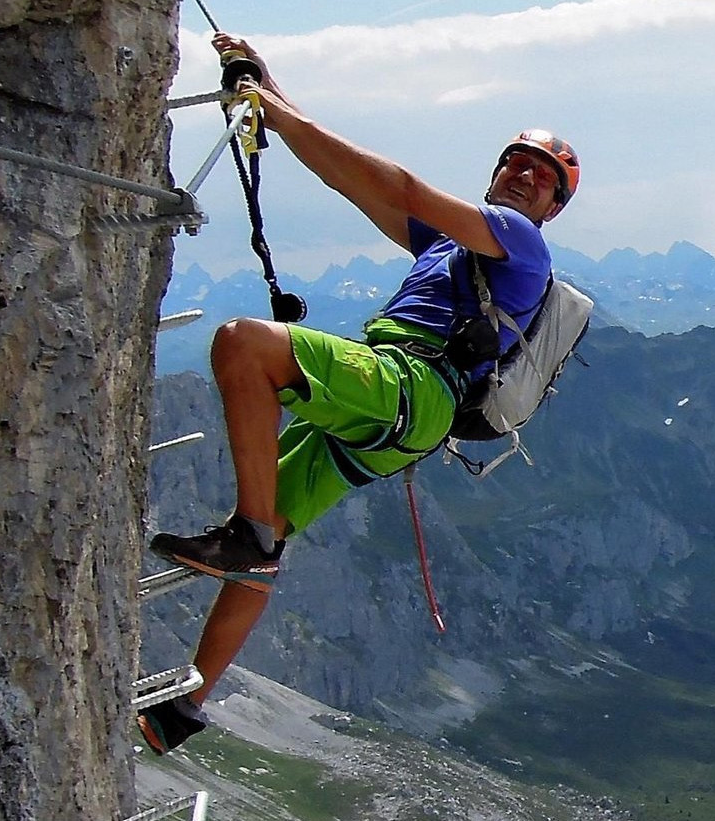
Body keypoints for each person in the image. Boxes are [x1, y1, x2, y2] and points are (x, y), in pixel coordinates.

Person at [138, 32, 581, 754]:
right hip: (403, 417)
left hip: (411, 384)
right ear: (497, 170)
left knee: (243, 346)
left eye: (543, 177)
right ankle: (184, 705)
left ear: (552, 208)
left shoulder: (519, 241)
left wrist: (273, 115)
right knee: (275, 526)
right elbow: (352, 180)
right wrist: (271, 90)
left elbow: (399, 188)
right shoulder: (452, 246)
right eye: (517, 163)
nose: (526, 177)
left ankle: (241, 536)